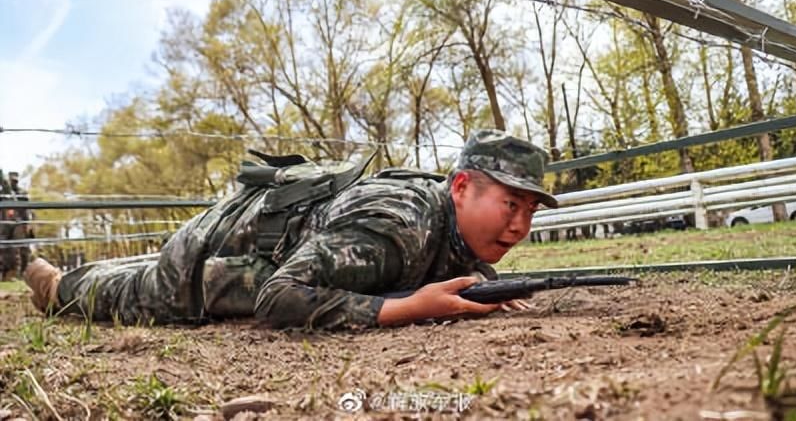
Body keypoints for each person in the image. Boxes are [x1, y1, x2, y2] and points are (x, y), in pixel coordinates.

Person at [24, 129, 557, 330]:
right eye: (511, 203)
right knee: (129, 290)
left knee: (135, 269)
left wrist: (482, 280)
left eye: (531, 210)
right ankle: (51, 283)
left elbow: (445, 255)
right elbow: (278, 297)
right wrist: (407, 309)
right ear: (461, 187)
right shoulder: (396, 226)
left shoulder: (446, 221)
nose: (520, 224)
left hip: (261, 242)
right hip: (210, 259)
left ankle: (66, 274)